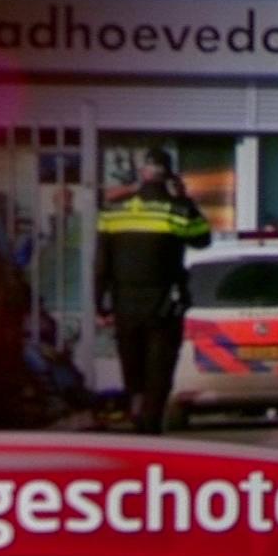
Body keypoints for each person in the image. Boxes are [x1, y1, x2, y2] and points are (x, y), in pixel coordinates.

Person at [95, 148, 211, 434]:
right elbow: (202, 239)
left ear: (142, 173)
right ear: (169, 175)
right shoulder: (177, 210)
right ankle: (150, 421)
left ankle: (136, 407)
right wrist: (184, 198)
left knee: (132, 363)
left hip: (125, 303)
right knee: (159, 369)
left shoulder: (113, 211)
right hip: (163, 304)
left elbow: (100, 264)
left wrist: (100, 304)